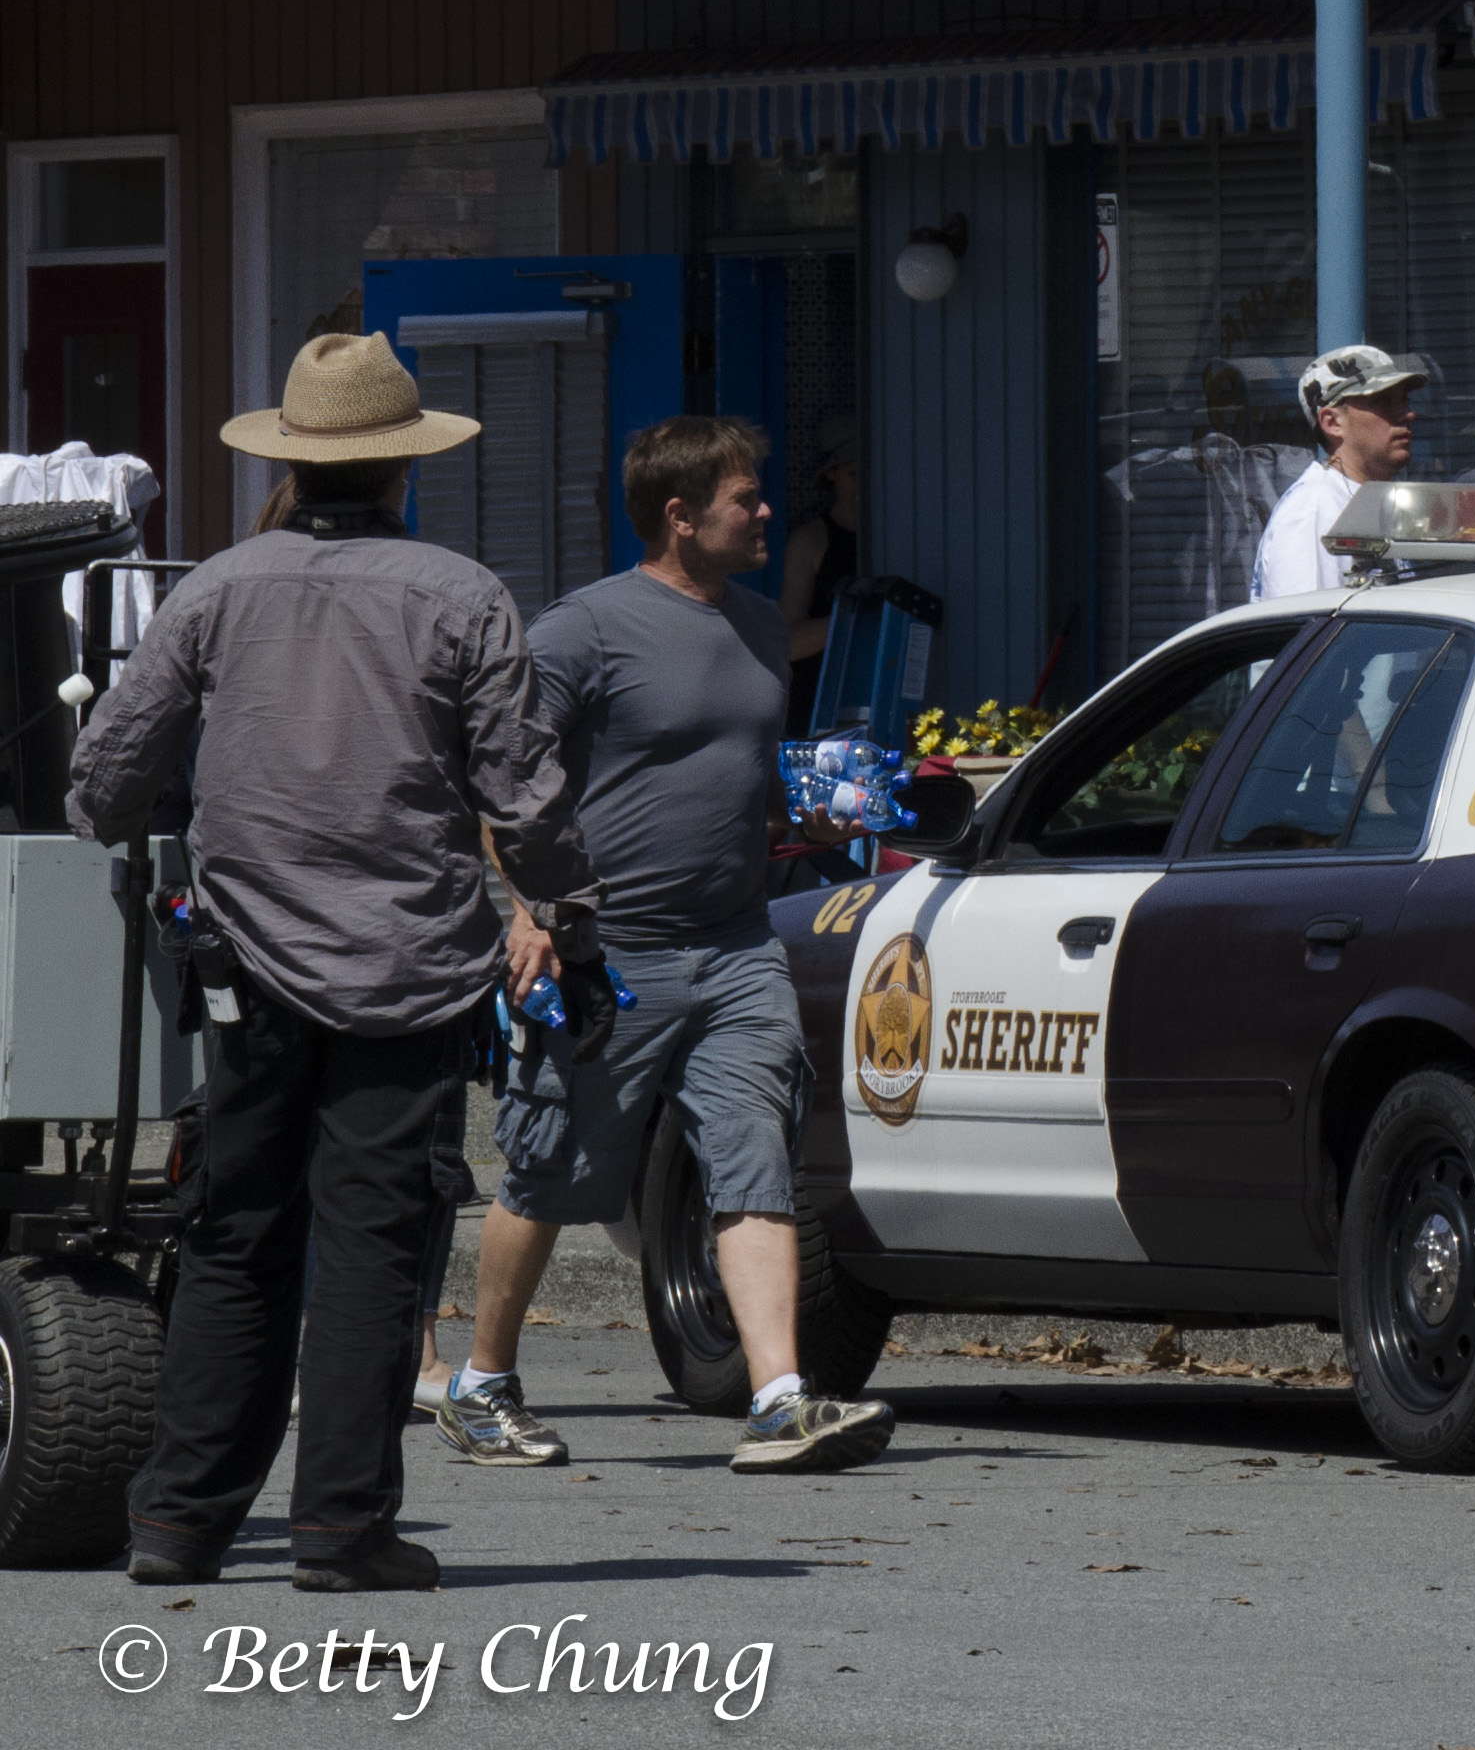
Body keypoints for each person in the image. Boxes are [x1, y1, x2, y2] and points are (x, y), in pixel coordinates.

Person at [69, 332, 595, 1593]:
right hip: (406, 971)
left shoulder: (218, 589)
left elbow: (109, 776)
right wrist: (567, 910)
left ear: (292, 462)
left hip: (246, 965)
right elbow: (523, 797)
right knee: (372, 1246)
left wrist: (142, 820)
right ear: (404, 466)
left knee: (234, 1233)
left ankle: (178, 1521)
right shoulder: (460, 594)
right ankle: (342, 1529)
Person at [436, 419, 896, 1479]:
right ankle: (482, 1384)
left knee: (753, 1154)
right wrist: (530, 910)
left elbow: (743, 775)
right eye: (745, 498)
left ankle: (777, 1400)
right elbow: (502, 779)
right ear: (680, 516)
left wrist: (817, 809)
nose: (767, 511)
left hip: (737, 948)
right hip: (609, 953)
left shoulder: (756, 624)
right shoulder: (585, 630)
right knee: (550, 1168)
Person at [1250, 344, 1425, 600]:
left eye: (1404, 399)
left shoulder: (1362, 500)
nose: (1408, 414)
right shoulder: (1315, 509)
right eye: (1383, 401)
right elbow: (1309, 621)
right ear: (1332, 423)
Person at [775, 416, 861, 727]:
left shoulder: (901, 536)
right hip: (819, 708)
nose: (864, 485)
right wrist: (852, 620)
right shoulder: (811, 540)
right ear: (832, 475)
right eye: (854, 474)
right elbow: (787, 643)